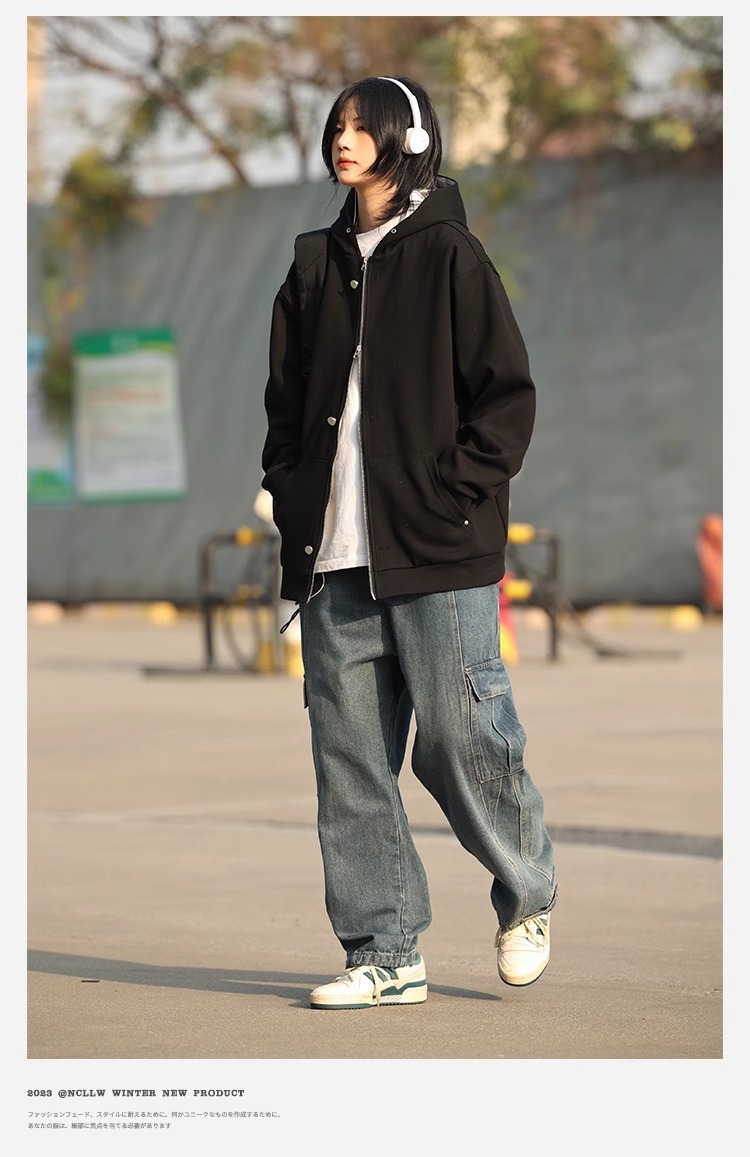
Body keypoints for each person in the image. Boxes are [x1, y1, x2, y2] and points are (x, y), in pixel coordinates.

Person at [261, 75, 556, 1010]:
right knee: (349, 759)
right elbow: (284, 406)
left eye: (363, 126)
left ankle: (528, 892)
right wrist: (291, 490)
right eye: (337, 126)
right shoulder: (313, 266)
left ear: (407, 140)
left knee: (462, 737)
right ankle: (385, 951)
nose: (344, 140)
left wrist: (451, 493)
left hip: (437, 548)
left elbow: (506, 399)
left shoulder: (449, 255)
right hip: (334, 558)